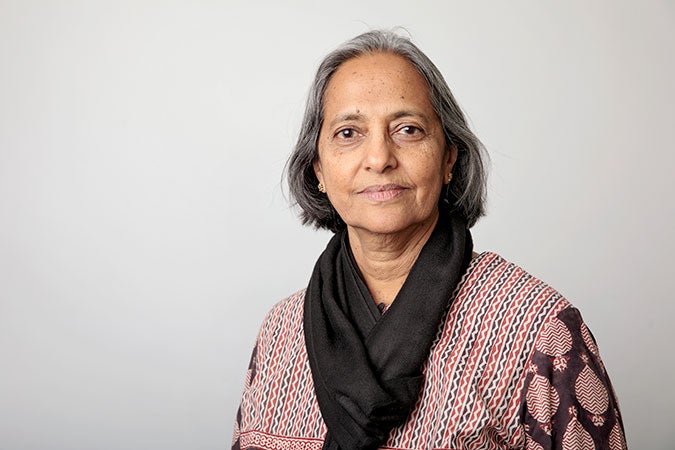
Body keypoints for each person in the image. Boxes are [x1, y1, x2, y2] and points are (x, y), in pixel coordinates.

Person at [231, 30, 627, 450]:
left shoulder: (539, 330)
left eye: (407, 129)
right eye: (349, 133)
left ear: (449, 159)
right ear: (319, 171)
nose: (380, 157)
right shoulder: (280, 332)